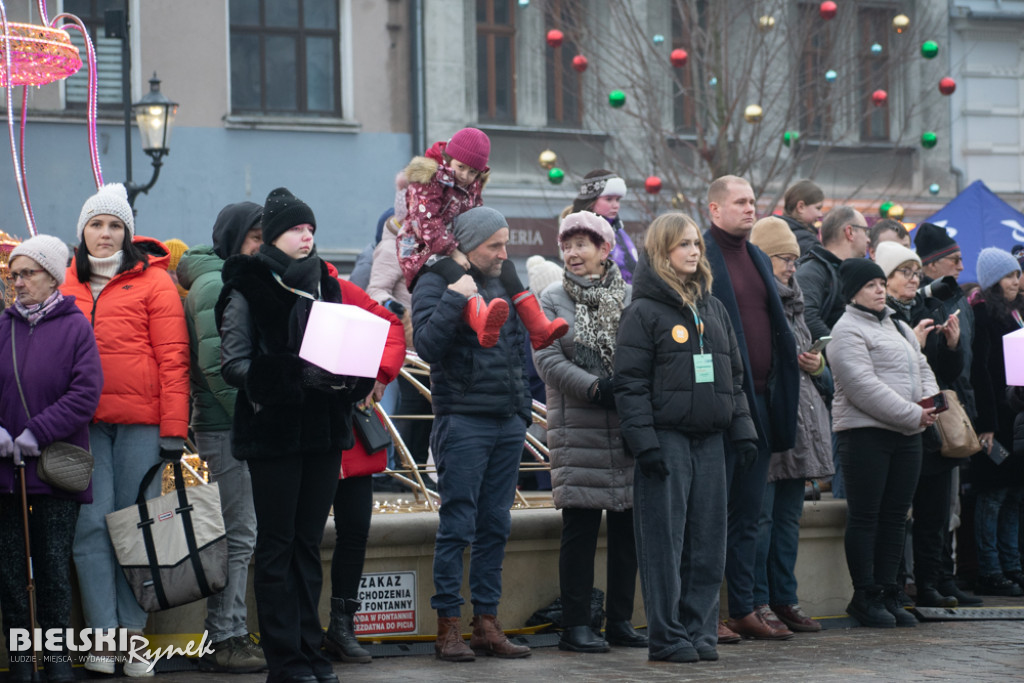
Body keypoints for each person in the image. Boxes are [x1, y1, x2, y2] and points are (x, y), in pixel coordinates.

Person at [217, 187, 387, 683]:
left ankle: (312, 654)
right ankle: (286, 662)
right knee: (276, 547)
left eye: (311, 228)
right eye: (297, 228)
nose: (307, 236)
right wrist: (298, 376)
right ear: (272, 237)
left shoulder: (325, 286)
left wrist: (351, 379)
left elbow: (352, 354)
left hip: (323, 434)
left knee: (309, 546)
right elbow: (234, 365)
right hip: (272, 435)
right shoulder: (245, 286)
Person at [60, 183, 190, 678]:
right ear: (82, 231)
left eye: (115, 225)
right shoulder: (65, 283)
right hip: (81, 427)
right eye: (96, 224)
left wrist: (174, 427)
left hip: (142, 423)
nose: (106, 234)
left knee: (139, 530)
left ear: (128, 232)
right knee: (90, 528)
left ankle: (132, 638)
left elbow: (174, 358)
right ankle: (101, 635)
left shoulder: (153, 282)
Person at [615, 212, 756, 663]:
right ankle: (668, 636)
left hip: (710, 440)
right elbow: (630, 383)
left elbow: (733, 376)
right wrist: (645, 444)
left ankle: (700, 633)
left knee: (708, 543)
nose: (694, 251)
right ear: (662, 252)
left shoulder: (712, 308)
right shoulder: (643, 311)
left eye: (696, 243)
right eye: (683, 245)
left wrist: (744, 430)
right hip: (666, 440)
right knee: (664, 544)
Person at [411, 206, 533, 662]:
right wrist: (455, 298)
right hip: (462, 419)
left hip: (506, 420)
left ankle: (486, 622)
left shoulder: (504, 279)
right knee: (457, 525)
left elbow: (518, 351)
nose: (503, 254)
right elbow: (424, 345)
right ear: (466, 245)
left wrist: (520, 410)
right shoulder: (436, 280)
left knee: (495, 525)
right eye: (493, 246)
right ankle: (448, 627)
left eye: (505, 243)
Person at [532, 211, 644, 653]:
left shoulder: (631, 297)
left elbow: (643, 353)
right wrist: (596, 387)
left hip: (625, 427)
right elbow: (547, 359)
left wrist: (628, 388)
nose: (573, 253)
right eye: (567, 245)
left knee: (627, 530)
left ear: (604, 249)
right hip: (577, 426)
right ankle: (576, 625)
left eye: (583, 244)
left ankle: (620, 620)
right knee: (579, 530)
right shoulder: (552, 297)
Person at [0, 235, 103, 683]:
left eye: (28, 273)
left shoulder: (75, 325)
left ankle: (58, 659)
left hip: (55, 468)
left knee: (53, 570)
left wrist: (36, 432)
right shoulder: (2, 325)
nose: (18, 283)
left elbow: (85, 394)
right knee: (9, 574)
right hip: (5, 471)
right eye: (13, 274)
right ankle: (23, 660)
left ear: (52, 276)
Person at [703, 176, 799, 642]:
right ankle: (705, 613)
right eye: (740, 202)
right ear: (714, 210)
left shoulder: (758, 257)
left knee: (748, 512)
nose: (750, 208)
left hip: (762, 401)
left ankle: (742, 607)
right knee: (709, 514)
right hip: (721, 403)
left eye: (753, 201)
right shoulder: (701, 255)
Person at [176, 202, 267, 673]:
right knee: (238, 533)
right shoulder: (216, 284)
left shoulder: (229, 278)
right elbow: (217, 370)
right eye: (255, 238)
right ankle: (225, 636)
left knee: (241, 530)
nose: (262, 246)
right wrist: (255, 425)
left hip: (233, 423)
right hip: (226, 425)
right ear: (235, 238)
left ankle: (230, 630)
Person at [829, 258, 939, 627]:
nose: (880, 290)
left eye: (881, 283)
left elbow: (922, 368)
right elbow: (863, 387)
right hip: (865, 436)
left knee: (895, 517)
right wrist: (913, 414)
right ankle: (865, 594)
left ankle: (889, 590)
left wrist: (930, 403)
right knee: (866, 517)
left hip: (908, 435)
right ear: (853, 291)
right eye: (871, 285)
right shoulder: (846, 331)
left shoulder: (899, 326)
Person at [397, 127, 565, 349]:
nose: (466, 176)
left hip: (459, 244)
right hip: (422, 248)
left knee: (507, 267)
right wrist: (453, 251)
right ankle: (481, 318)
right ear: (449, 158)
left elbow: (477, 215)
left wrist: (485, 236)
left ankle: (538, 326)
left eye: (473, 172)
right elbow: (425, 219)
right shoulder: (429, 178)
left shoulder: (472, 182)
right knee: (454, 271)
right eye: (461, 167)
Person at [748, 217, 833, 634]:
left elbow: (825, 379)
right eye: (785, 259)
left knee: (786, 520)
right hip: (769, 423)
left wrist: (818, 366)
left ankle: (784, 598)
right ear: (764, 257)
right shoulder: (755, 301)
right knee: (760, 520)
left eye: (795, 260)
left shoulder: (796, 301)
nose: (792, 268)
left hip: (799, 425)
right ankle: (756, 601)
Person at [874, 242, 965, 609]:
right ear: (886, 279)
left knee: (934, 515)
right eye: (904, 273)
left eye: (915, 272)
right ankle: (895, 587)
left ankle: (930, 584)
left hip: (934, 425)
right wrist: (916, 346)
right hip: (901, 424)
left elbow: (947, 375)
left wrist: (954, 347)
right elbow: (892, 374)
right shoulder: (883, 316)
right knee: (897, 514)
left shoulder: (930, 308)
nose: (913, 279)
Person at [323, 272, 406, 664]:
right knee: (297, 539)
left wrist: (379, 374)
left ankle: (342, 627)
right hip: (309, 437)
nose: (305, 240)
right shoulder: (274, 286)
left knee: (355, 532)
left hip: (350, 437)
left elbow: (389, 325)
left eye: (309, 232)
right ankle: (302, 629)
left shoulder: (338, 288)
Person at [913, 222, 981, 606]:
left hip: (959, 406)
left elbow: (968, 361)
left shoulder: (956, 300)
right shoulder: (927, 306)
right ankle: (932, 578)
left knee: (946, 507)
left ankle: (944, 576)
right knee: (932, 508)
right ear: (932, 265)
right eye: (954, 260)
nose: (959, 266)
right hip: (935, 411)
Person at [968, 247, 1024, 597]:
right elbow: (982, 373)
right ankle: (990, 568)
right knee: (993, 495)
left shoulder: (1014, 314)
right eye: (1009, 276)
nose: (1017, 281)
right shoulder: (984, 314)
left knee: (1013, 495)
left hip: (1014, 415)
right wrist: (986, 422)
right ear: (993, 282)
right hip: (994, 419)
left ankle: (1012, 563)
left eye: (1017, 275)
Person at [795, 205, 871, 342]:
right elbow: (807, 318)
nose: (868, 240)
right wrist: (842, 350)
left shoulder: (851, 273)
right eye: (866, 231)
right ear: (850, 232)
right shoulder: (812, 271)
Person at [570, 170, 639, 283]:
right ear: (591, 201)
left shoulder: (619, 231)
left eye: (618, 199)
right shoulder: (581, 234)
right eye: (609, 199)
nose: (615, 205)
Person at [779, 179, 824, 255]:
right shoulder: (807, 243)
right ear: (801, 207)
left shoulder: (777, 232)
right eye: (818, 208)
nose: (820, 214)